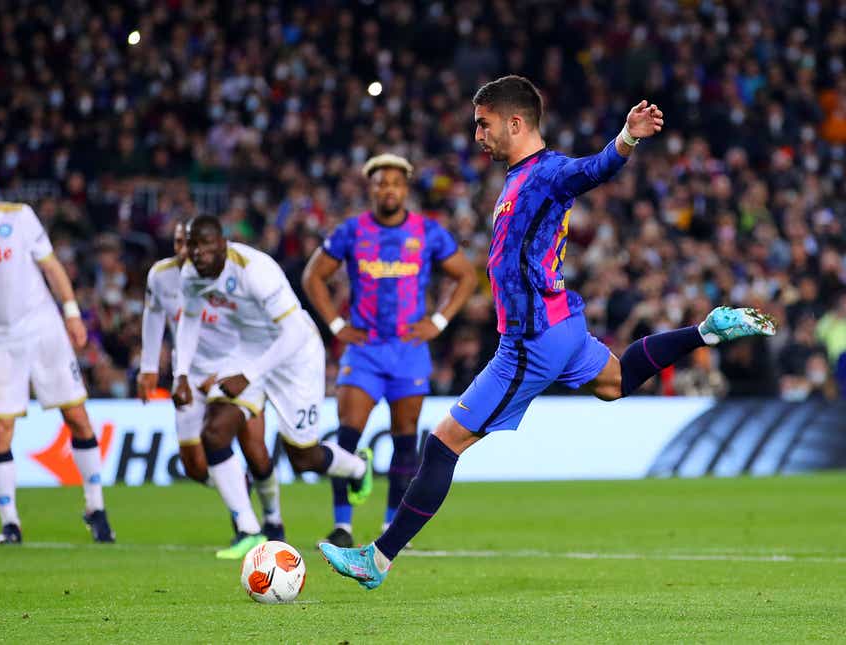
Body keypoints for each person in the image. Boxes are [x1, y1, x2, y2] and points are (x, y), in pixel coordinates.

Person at [320, 75, 775, 588]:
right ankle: (705, 332)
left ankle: (376, 559)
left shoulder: (546, 172)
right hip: (562, 324)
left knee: (444, 442)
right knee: (616, 381)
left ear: (515, 123)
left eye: (483, 124)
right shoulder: (518, 178)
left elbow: (592, 170)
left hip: (531, 341)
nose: (476, 135)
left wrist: (626, 138)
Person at [173, 215, 374, 559]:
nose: (198, 253)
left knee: (302, 456)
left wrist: (248, 375)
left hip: (296, 355)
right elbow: (189, 320)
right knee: (215, 432)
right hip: (248, 352)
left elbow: (293, 331)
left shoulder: (255, 270)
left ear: (223, 243)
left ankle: (356, 466)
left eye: (206, 245)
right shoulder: (191, 273)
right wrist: (180, 373)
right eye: (192, 246)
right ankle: (248, 529)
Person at [0, 157, 115, 545]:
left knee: (78, 417)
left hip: (44, 328)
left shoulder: (19, 218)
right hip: (0, 338)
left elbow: (52, 267)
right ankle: (10, 524)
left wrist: (71, 313)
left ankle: (96, 508)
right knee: (0, 427)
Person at [302, 153, 477, 547]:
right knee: (347, 435)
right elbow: (313, 275)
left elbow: (466, 276)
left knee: (404, 440)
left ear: (406, 189)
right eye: (381, 183)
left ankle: (389, 526)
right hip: (364, 350)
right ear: (371, 188)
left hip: (409, 350)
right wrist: (335, 324)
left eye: (395, 183)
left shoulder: (428, 232)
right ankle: (342, 526)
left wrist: (440, 320)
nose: (389, 190)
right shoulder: (351, 231)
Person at [137, 219, 283, 541]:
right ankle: (240, 494)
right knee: (194, 464)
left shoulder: (225, 274)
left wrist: (239, 369)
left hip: (232, 370)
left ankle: (270, 519)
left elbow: (251, 324)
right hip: (189, 374)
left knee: (254, 449)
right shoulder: (162, 277)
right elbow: (153, 316)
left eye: (187, 243)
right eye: (180, 243)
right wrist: (151, 367)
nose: (185, 250)